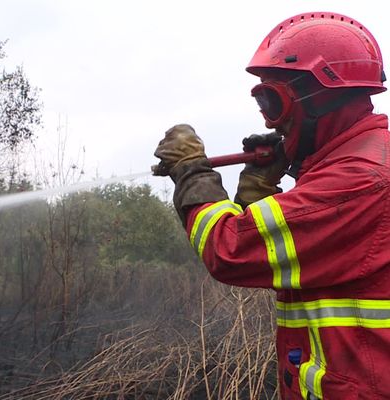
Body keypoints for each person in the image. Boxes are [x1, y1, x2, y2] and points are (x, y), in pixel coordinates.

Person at [153, 11, 390, 400]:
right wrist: (258, 186)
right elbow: (278, 258)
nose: (270, 121)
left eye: (273, 101)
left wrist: (191, 172)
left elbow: (230, 249)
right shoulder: (353, 167)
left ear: (322, 99)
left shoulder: (361, 181)